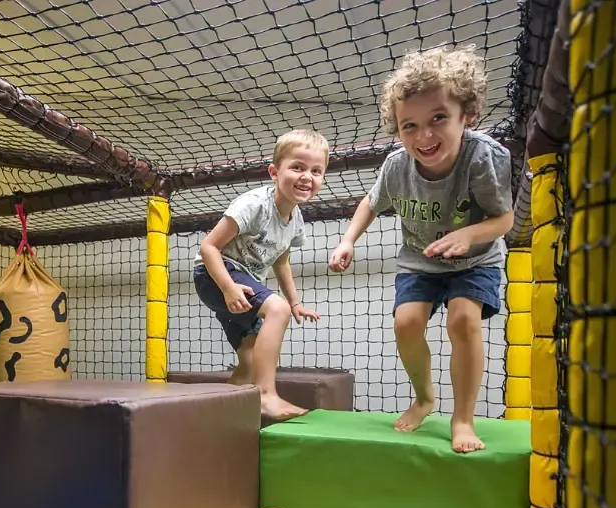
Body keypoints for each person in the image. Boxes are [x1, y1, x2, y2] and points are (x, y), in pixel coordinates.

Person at [328, 44, 514, 453]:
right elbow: (370, 203)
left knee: (462, 321)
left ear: (467, 114)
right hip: (420, 260)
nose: (424, 136)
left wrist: (469, 235)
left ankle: (462, 419)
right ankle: (425, 397)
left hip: (475, 259)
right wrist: (347, 240)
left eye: (438, 118)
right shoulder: (397, 165)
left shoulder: (482, 158)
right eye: (409, 125)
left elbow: (504, 220)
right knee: (406, 323)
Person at [193, 129, 326, 422]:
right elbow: (208, 247)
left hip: (246, 284)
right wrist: (228, 287)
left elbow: (281, 262)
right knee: (276, 309)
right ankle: (266, 395)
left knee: (249, 361)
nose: (307, 177)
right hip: (215, 274)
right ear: (274, 172)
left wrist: (295, 303)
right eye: (297, 167)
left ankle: (220, 420)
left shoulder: (296, 220)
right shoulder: (255, 205)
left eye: (316, 171)